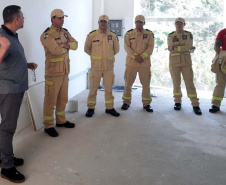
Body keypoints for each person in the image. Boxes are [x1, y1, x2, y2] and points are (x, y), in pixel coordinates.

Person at [0, 5, 38, 183]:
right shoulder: (2, 38)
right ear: (16, 19)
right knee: (7, 129)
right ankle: (7, 167)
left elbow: (9, 62)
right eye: (22, 16)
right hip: (9, 91)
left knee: (7, 128)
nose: (24, 19)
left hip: (16, 88)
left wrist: (26, 64)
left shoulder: (12, 36)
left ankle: (4, 156)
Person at [40, 9, 78, 137]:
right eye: (60, 18)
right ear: (53, 18)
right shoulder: (47, 35)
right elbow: (56, 50)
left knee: (63, 98)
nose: (62, 20)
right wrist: (67, 46)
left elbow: (75, 45)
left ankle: (61, 121)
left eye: (63, 18)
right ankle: (48, 125)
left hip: (65, 71)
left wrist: (65, 45)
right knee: (50, 100)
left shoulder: (65, 32)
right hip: (53, 73)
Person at [84, 15, 120, 117]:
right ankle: (91, 108)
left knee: (109, 89)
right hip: (96, 67)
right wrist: (96, 56)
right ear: (98, 22)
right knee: (93, 89)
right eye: (101, 21)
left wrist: (107, 57)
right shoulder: (92, 35)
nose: (103, 23)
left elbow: (116, 49)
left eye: (105, 22)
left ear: (108, 23)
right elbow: (87, 49)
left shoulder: (112, 35)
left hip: (108, 67)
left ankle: (109, 108)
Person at [167, 17, 202, 115]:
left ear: (184, 25)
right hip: (174, 63)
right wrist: (183, 47)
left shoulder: (188, 34)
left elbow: (188, 46)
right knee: (176, 83)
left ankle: (195, 104)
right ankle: (177, 102)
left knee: (190, 83)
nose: (179, 25)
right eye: (177, 23)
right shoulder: (170, 35)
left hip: (186, 63)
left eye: (181, 23)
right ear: (175, 25)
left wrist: (176, 46)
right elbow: (171, 48)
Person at [121, 15, 154, 112]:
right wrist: (135, 56)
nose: (139, 23)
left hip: (145, 63)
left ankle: (146, 104)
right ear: (135, 23)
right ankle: (126, 102)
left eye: (141, 22)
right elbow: (127, 47)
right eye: (137, 22)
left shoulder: (149, 34)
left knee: (146, 84)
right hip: (131, 63)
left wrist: (142, 56)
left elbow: (150, 47)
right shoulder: (129, 34)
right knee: (128, 84)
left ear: (144, 23)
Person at [209, 28, 226, 113]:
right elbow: (216, 47)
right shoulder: (223, 32)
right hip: (222, 63)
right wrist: (221, 58)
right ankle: (215, 105)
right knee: (220, 84)